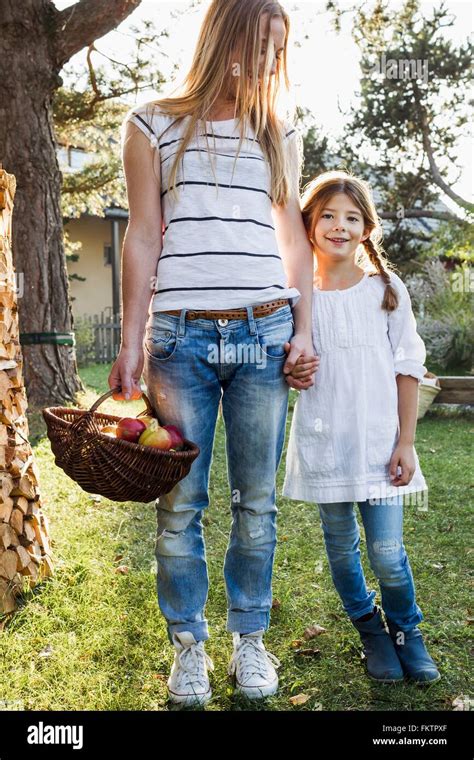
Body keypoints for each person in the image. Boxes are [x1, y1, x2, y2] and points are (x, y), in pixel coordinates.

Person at [109, 0, 319, 706]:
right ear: (224, 37)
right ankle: (189, 647)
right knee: (181, 504)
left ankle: (249, 639)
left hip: (264, 334)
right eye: (260, 44)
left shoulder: (276, 130)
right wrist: (130, 341)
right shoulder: (151, 124)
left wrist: (304, 329)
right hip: (179, 337)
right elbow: (142, 234)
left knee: (255, 501)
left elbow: (295, 243)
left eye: (278, 50)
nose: (268, 63)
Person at [282, 170, 440, 685]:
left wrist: (406, 441)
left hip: (379, 446)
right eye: (327, 215)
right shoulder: (295, 297)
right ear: (308, 224)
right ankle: (371, 631)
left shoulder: (386, 290)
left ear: (366, 229)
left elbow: (408, 365)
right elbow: (286, 366)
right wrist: (293, 368)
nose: (338, 226)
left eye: (351, 218)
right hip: (326, 445)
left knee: (388, 554)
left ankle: (405, 632)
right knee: (341, 547)